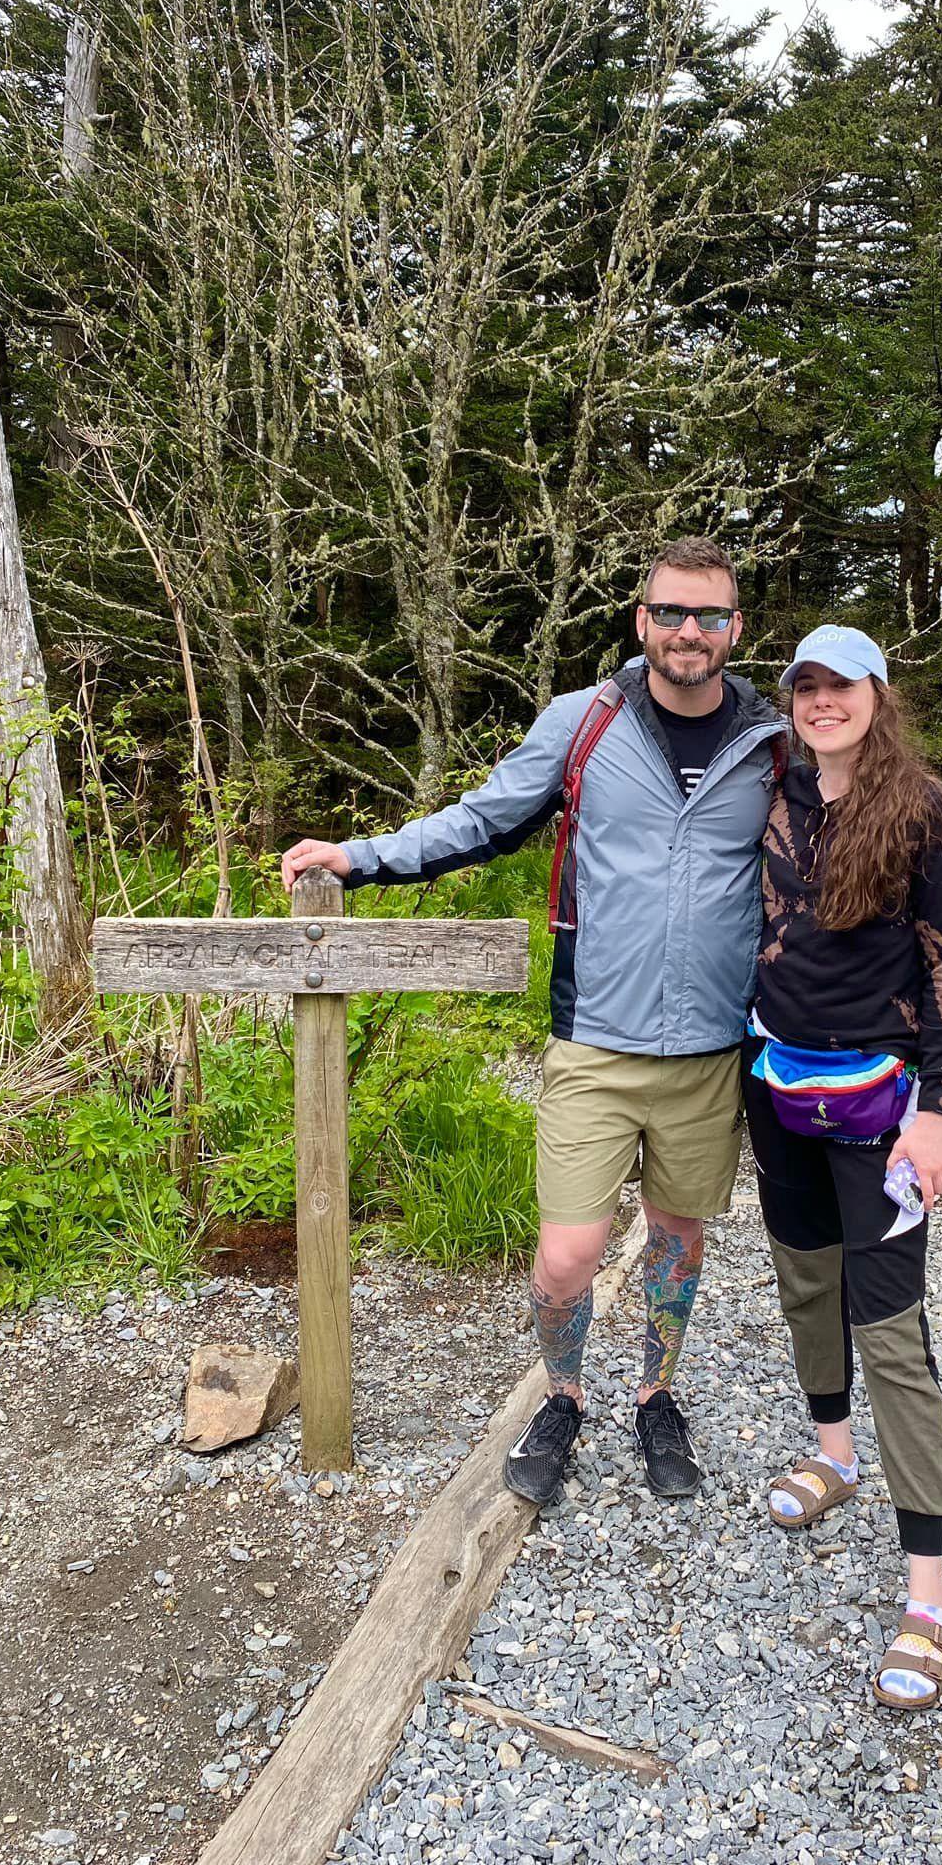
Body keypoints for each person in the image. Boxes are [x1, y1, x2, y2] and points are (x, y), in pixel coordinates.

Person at [279, 537, 787, 1506]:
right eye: (671, 612)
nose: (689, 631)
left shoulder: (769, 744)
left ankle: (656, 1395)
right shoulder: (586, 722)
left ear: (735, 627)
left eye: (709, 615)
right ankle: (562, 1395)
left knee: (677, 1239)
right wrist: (360, 855)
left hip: (712, 1050)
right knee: (566, 1257)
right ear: (641, 620)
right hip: (595, 1039)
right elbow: (481, 820)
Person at [740, 624, 942, 1712]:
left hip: (880, 1102)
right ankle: (833, 1454)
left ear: (878, 694)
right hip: (776, 1084)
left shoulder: (923, 807)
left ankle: (927, 1592)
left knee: (890, 1326)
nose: (821, 700)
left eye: (842, 684)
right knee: (804, 1280)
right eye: (806, 685)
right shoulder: (772, 791)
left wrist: (935, 1112)